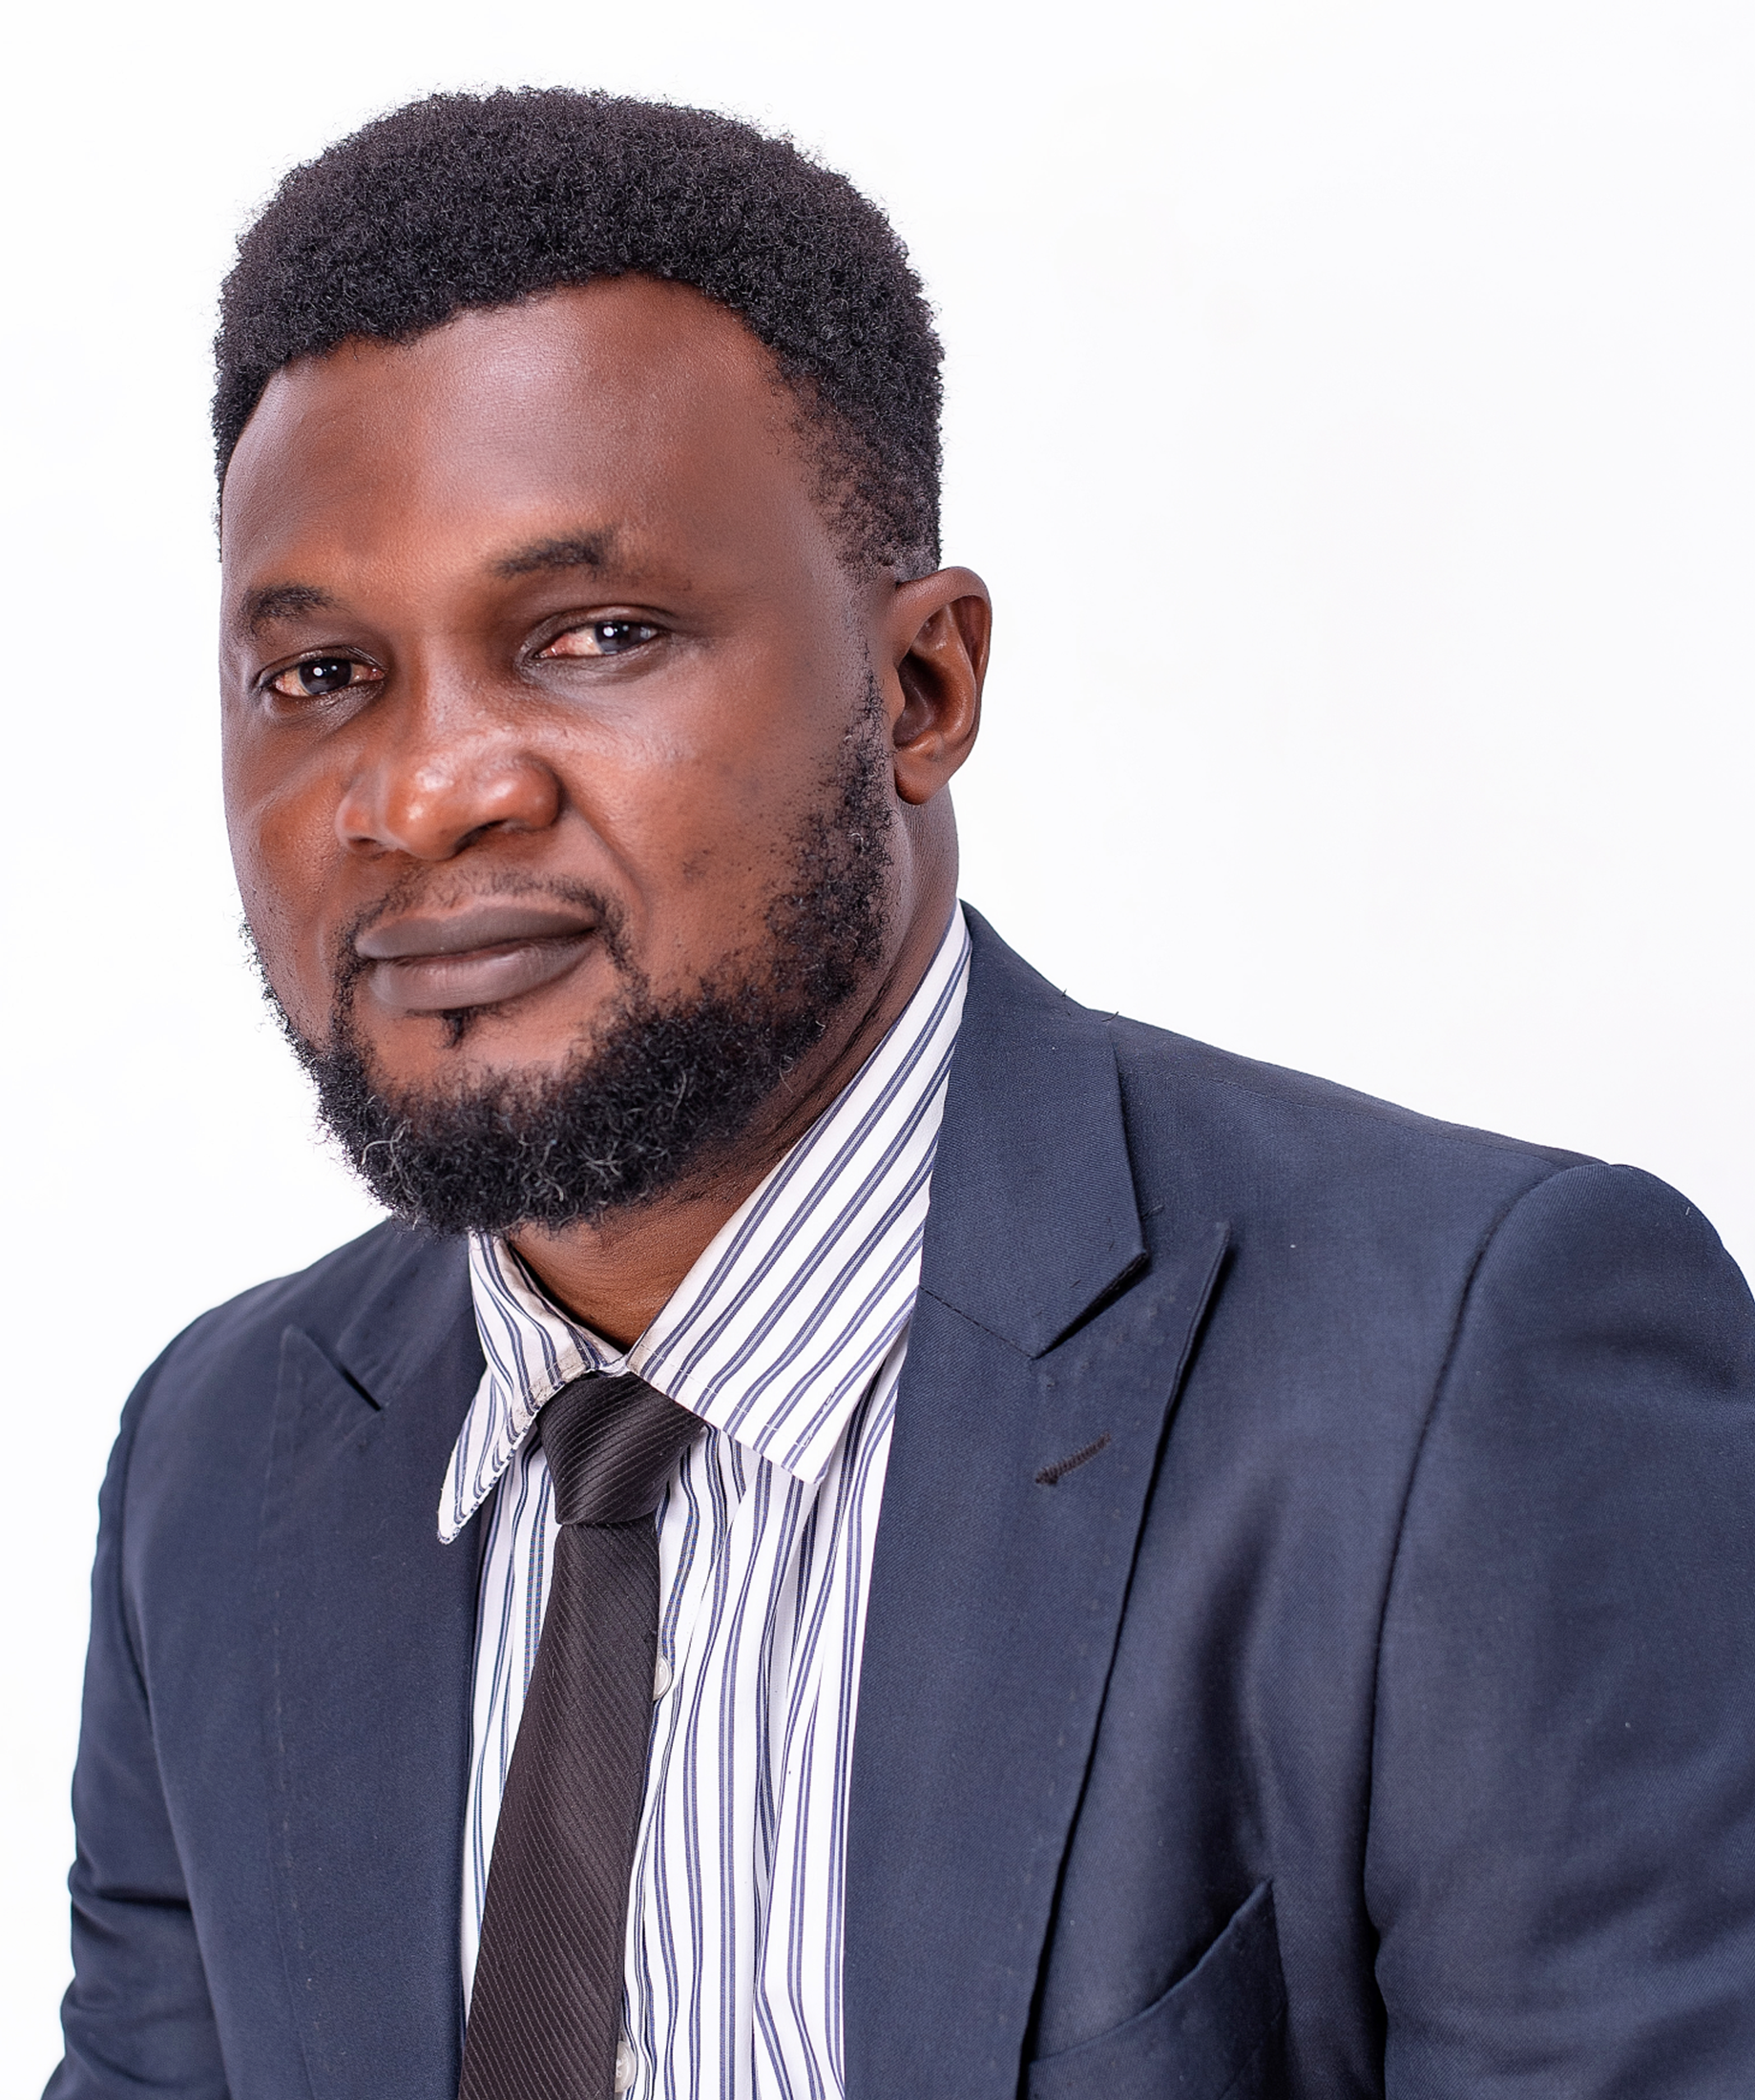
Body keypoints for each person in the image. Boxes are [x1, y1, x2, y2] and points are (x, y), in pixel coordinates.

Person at [49, 86, 1755, 2100]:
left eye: (594, 634)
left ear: (921, 689)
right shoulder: (220, 1465)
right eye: (320, 675)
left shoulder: (1464, 1378)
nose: (426, 793)